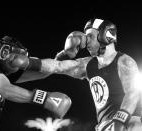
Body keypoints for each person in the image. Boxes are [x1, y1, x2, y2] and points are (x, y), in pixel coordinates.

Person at [11, 18, 142, 131]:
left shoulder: (124, 61)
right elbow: (57, 66)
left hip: (130, 120)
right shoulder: (87, 64)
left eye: (90, 36)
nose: (86, 42)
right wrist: (29, 62)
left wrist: (120, 120)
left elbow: (132, 93)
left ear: (105, 35)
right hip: (104, 125)